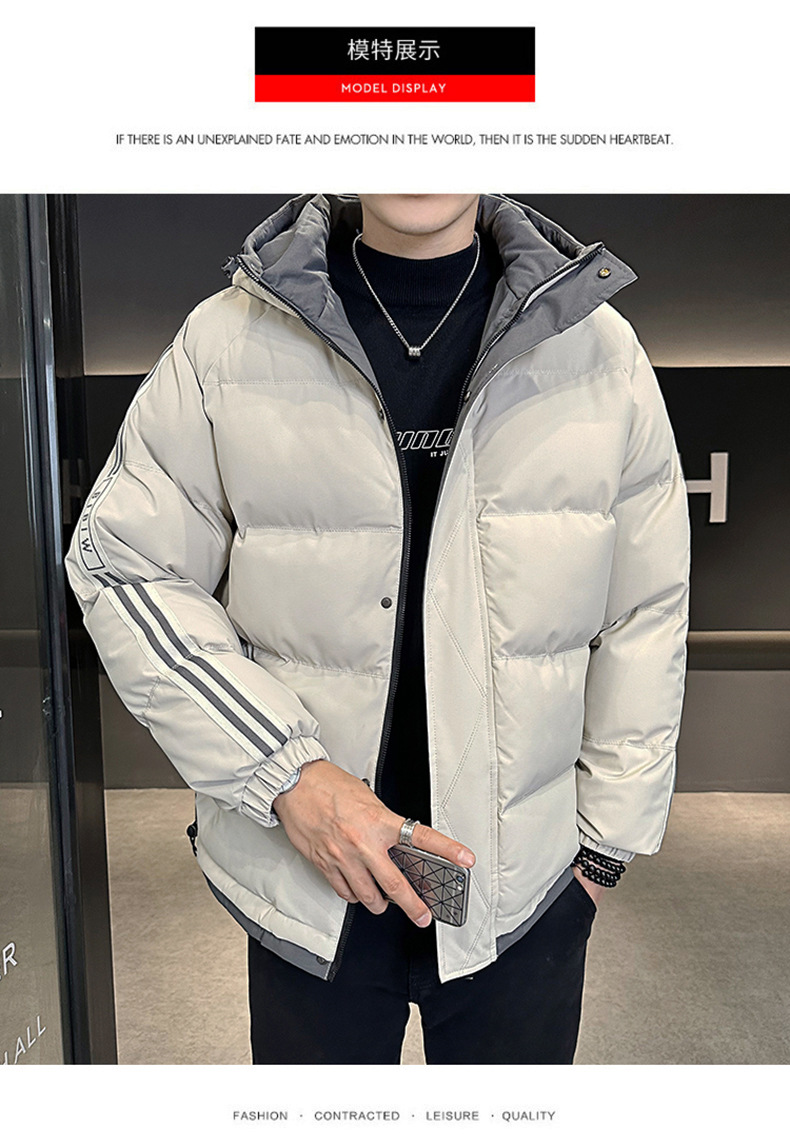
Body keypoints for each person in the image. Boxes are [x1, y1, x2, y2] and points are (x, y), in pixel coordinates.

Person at [64, 193, 690, 1065]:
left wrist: (603, 851)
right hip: (311, 878)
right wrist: (287, 775)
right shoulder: (228, 342)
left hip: (529, 892)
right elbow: (123, 565)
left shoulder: (596, 349)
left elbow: (645, 612)